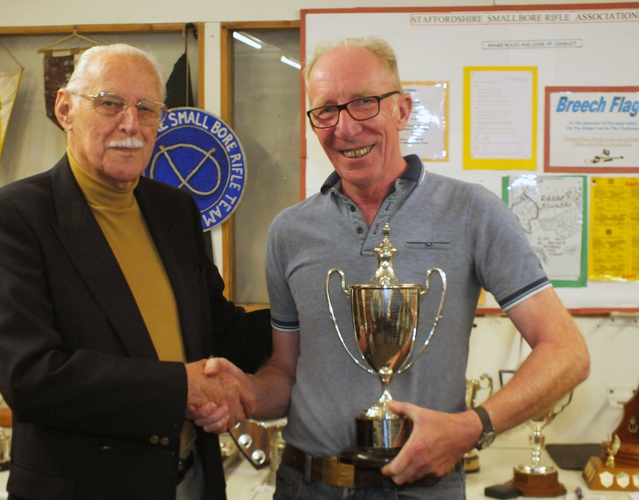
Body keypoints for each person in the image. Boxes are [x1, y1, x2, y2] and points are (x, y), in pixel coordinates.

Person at [198, 37, 590, 499]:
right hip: (305, 484)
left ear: (403, 110)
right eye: (326, 110)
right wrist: (242, 393)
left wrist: (473, 426)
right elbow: (286, 374)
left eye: (364, 103)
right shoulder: (290, 232)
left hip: (421, 487)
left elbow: (567, 352)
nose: (345, 128)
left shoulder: (471, 212)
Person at [0, 43, 270, 500]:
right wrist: (182, 389)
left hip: (193, 482)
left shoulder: (174, 210)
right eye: (110, 103)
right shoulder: (16, 217)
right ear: (65, 109)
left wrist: (310, 314)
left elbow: (217, 330)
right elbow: (30, 376)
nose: (130, 124)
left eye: (146, 109)